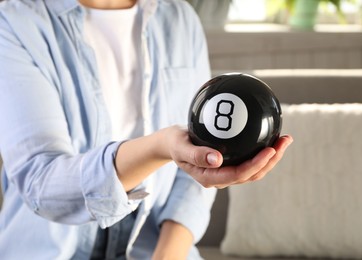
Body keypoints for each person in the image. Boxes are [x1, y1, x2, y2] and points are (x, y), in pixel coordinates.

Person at [0, 0, 293, 259]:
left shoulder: (179, 19)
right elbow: (41, 183)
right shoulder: (15, 21)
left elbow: (196, 160)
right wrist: (160, 147)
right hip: (51, 246)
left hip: (156, 243)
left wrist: (168, 254)